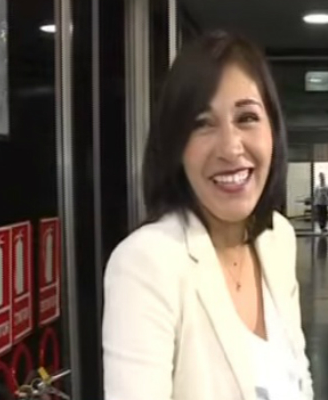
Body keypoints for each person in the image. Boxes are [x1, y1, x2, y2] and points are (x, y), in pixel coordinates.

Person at [101, 31, 313, 400]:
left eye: (247, 117)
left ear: (273, 131)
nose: (230, 148)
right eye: (202, 123)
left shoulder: (277, 237)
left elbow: (299, 376)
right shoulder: (146, 262)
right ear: (175, 145)